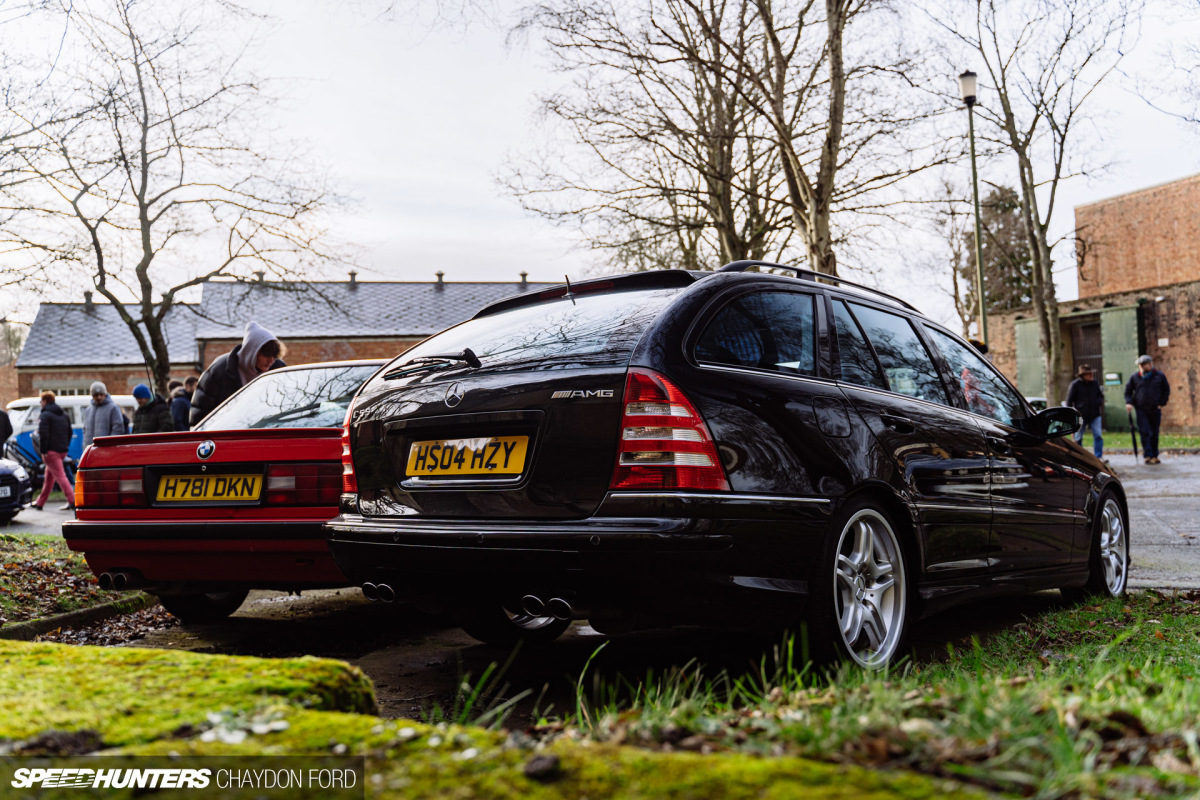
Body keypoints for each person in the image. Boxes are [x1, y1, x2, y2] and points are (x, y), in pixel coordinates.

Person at [189, 322, 286, 426]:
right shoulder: (219, 371)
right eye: (266, 355)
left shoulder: (278, 370)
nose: (271, 360)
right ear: (252, 352)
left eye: (274, 356)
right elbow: (200, 414)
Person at [33, 391, 74, 511]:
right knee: (49, 478)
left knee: (61, 477)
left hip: (51, 451)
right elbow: (70, 432)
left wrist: (43, 451)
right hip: (62, 450)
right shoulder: (64, 414)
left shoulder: (45, 415)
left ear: (45, 401)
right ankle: (40, 502)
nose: (41, 404)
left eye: (41, 401)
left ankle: (73, 501)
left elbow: (43, 435)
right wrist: (65, 445)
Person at [1125, 354, 1170, 464]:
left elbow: (1166, 390)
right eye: (1140, 365)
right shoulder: (1135, 377)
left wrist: (1162, 403)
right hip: (1141, 409)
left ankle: (1155, 455)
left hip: (1155, 408)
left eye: (1143, 365)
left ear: (1150, 364)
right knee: (1144, 432)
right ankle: (1147, 455)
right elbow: (1128, 391)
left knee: (1154, 433)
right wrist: (1129, 403)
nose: (1141, 367)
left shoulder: (1159, 376)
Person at [1066, 364, 1105, 459]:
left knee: (1098, 435)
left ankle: (1098, 457)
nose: (1091, 375)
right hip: (1081, 416)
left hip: (1095, 414)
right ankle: (1080, 457)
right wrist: (1073, 415)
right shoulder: (1075, 385)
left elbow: (1100, 395)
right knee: (1078, 437)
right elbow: (1069, 401)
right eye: (1088, 374)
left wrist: (1098, 402)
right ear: (1082, 376)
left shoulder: (1095, 383)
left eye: (1091, 373)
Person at [83, 381, 127, 448]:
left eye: (101, 394)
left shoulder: (113, 408)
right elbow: (85, 430)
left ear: (105, 394)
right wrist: (85, 446)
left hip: (107, 449)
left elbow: (118, 428)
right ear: (92, 396)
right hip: (90, 450)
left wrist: (110, 445)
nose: (99, 397)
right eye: (96, 395)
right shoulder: (88, 410)